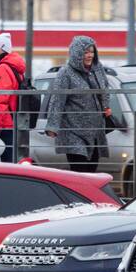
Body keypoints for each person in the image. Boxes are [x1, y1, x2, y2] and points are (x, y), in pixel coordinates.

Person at [45, 35, 111, 173]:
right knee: (79, 170)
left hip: (94, 131)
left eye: (92, 52)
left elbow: (105, 89)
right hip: (73, 131)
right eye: (85, 52)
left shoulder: (97, 69)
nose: (89, 55)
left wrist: (106, 106)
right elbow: (57, 100)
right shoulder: (65, 73)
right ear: (77, 53)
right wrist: (52, 126)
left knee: (92, 170)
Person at [0, 32, 27, 163]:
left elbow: (1, 97)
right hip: (13, 118)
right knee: (11, 158)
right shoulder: (13, 67)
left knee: (7, 161)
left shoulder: (4, 68)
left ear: (4, 49)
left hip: (5, 120)